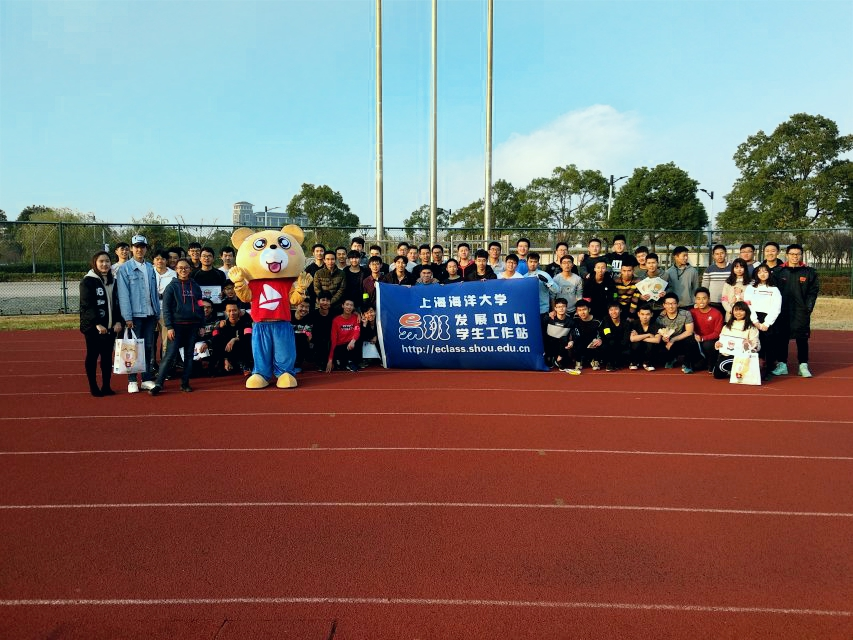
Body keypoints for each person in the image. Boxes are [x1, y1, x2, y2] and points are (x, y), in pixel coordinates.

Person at [149, 258, 205, 394]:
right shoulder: (171, 287)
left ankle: (185, 383)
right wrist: (169, 327)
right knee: (170, 355)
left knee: (189, 356)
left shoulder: (195, 286)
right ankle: (158, 384)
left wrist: (202, 324)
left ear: (190, 269)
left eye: (186, 267)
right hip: (177, 327)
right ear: (176, 270)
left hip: (193, 326)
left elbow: (200, 306)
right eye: (180, 268)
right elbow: (166, 309)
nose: (183, 270)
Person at [116, 234, 161, 394]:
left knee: (148, 347)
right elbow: (123, 295)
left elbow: (154, 292)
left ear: (146, 249)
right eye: (136, 247)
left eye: (142, 247)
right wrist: (127, 317)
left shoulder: (150, 267)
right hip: (135, 316)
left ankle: (146, 379)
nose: (139, 250)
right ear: (131, 248)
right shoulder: (125, 269)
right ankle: (132, 380)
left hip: (150, 315)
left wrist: (156, 313)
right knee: (132, 347)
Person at [80, 251, 123, 396]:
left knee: (107, 357)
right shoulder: (88, 281)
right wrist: (97, 323)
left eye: (107, 261)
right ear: (95, 263)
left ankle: (106, 386)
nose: (105, 264)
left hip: (110, 327)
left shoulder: (113, 280)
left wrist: (118, 321)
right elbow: (87, 304)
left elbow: (117, 303)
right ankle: (93, 387)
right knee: (92, 355)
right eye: (101, 261)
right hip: (93, 328)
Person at [775, 244, 820, 378]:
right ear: (787, 255)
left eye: (798, 254)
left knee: (802, 338)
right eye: (792, 254)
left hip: (801, 311)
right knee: (782, 338)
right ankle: (782, 364)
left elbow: (813, 292)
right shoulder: (778, 271)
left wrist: (808, 308)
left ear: (801, 255)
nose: (795, 256)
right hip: (782, 310)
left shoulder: (809, 272)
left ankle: (803, 365)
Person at [744, 264, 783, 378]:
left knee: (768, 346)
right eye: (760, 272)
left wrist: (767, 323)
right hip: (753, 319)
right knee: (754, 344)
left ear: (769, 274)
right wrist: (755, 321)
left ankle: (768, 370)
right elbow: (748, 304)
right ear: (756, 274)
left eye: (765, 272)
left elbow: (776, 307)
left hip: (768, 321)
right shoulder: (750, 288)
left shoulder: (774, 289)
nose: (762, 274)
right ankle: (753, 370)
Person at [713, 300, 760, 379]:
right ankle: (736, 371)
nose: (738, 313)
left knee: (722, 365)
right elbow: (721, 340)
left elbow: (757, 346)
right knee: (717, 375)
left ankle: (741, 369)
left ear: (746, 312)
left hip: (742, 356)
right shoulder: (726, 326)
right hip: (726, 354)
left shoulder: (751, 328)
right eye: (736, 310)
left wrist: (748, 344)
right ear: (733, 312)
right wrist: (718, 344)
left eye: (741, 310)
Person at [654, 292, 695, 373]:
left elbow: (689, 331)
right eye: (668, 304)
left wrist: (673, 340)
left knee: (690, 339)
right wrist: (664, 338)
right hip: (667, 341)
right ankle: (671, 359)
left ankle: (687, 364)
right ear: (664, 305)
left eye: (673, 303)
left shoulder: (686, 314)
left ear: (677, 304)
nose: (671, 306)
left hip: (680, 339)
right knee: (660, 354)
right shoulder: (660, 318)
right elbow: (659, 332)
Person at [211, 301, 254, 376]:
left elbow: (248, 337)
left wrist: (234, 339)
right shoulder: (221, 325)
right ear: (225, 312)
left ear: (239, 311)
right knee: (217, 341)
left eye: (234, 310)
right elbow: (216, 341)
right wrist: (225, 359)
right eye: (229, 311)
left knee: (245, 342)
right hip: (226, 354)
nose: (232, 313)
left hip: (242, 352)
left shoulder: (246, 323)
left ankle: (246, 365)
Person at [563, 299, 602, 374]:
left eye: (584, 309)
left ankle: (595, 360)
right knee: (576, 341)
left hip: (593, 343)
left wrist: (599, 339)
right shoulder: (575, 319)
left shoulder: (597, 321)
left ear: (589, 309)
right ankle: (578, 360)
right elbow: (573, 333)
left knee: (598, 343)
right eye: (579, 310)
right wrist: (571, 341)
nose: (582, 312)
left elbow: (601, 334)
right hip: (580, 343)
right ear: (577, 312)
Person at [691, 287, 724, 373]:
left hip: (711, 340)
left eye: (704, 298)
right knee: (694, 366)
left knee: (708, 345)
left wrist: (703, 338)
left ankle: (712, 363)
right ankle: (702, 361)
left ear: (709, 299)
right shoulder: (692, 312)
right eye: (698, 299)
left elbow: (717, 333)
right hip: (696, 340)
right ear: (695, 300)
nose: (701, 301)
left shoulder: (716, 313)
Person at [152, 249, 176, 363]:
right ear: (153, 260)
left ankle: (165, 365)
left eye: (162, 259)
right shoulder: (149, 272)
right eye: (157, 259)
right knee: (150, 340)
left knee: (166, 341)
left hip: (166, 311)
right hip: (151, 311)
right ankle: (151, 364)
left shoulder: (173, 274)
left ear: (166, 260)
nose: (160, 261)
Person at [525, 252, 559, 330]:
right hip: (529, 311)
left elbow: (556, 290)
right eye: (531, 261)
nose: (533, 264)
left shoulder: (544, 274)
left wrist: (547, 282)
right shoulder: (524, 277)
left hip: (542, 312)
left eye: (535, 262)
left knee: (542, 333)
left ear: (538, 263)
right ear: (527, 263)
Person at [327, 299, 361, 372]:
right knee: (338, 364)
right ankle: (343, 362)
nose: (349, 307)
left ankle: (350, 362)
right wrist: (330, 359)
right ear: (343, 306)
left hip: (351, 345)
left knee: (357, 342)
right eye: (347, 304)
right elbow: (333, 340)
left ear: (353, 307)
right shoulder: (336, 320)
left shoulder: (356, 318)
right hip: (340, 347)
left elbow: (357, 331)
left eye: (351, 305)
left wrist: (353, 341)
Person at [665, 246, 699, 311]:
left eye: (687, 255)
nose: (686, 258)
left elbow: (696, 288)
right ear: (676, 257)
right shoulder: (668, 272)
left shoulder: (693, 271)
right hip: (673, 306)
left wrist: (696, 302)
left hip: (690, 305)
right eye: (684, 256)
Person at [544, 297, 573, 370]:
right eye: (559, 307)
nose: (561, 309)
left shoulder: (571, 321)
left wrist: (572, 341)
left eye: (563, 306)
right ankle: (550, 357)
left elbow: (575, 334)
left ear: (566, 308)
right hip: (549, 345)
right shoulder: (548, 318)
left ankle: (559, 358)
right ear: (555, 308)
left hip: (562, 347)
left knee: (565, 364)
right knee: (548, 364)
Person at [629, 306, 661, 371]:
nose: (645, 317)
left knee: (650, 343)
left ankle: (647, 363)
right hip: (637, 349)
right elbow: (632, 339)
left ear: (651, 314)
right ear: (638, 314)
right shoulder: (633, 324)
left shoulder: (656, 325)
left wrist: (639, 337)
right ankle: (634, 362)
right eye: (642, 314)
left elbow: (657, 340)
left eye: (647, 314)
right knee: (636, 343)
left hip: (649, 351)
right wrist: (648, 335)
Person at [600, 302, 630, 371]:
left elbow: (625, 339)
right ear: (608, 312)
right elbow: (608, 335)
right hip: (609, 344)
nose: (614, 312)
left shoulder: (626, 323)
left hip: (621, 345)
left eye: (616, 309)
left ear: (620, 310)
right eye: (611, 310)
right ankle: (609, 363)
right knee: (610, 343)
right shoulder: (606, 320)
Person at [701, 244, 731, 311]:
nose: (719, 256)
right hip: (713, 302)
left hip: (729, 302)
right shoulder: (709, 269)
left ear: (726, 254)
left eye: (722, 253)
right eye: (717, 254)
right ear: (713, 256)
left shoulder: (733, 268)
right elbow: (704, 287)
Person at [312, 291, 335, 372]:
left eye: (327, 300)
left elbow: (348, 312)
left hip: (331, 342)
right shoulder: (313, 314)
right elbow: (306, 327)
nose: (325, 302)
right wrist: (309, 336)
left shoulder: (334, 313)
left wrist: (357, 314)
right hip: (317, 342)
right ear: (318, 301)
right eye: (323, 300)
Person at [291, 300, 314, 372]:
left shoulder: (309, 318)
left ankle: (298, 363)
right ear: (296, 306)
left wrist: (309, 336)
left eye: (307, 307)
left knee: (302, 337)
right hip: (287, 341)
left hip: (300, 341)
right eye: (302, 306)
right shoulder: (289, 315)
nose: (304, 309)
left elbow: (308, 333)